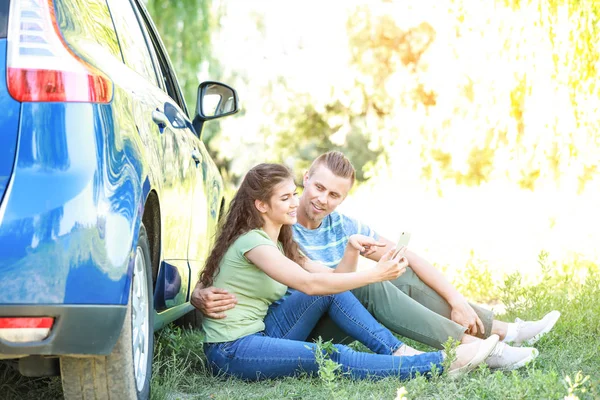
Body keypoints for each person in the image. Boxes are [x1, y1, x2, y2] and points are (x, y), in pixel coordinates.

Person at [195, 152, 560, 371]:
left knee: (393, 275)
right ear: (304, 181)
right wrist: (198, 294)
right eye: (313, 189)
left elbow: (331, 278)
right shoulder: (266, 229)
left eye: (334, 194)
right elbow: (300, 282)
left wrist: (456, 299)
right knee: (371, 288)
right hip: (264, 333)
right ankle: (458, 348)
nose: (318, 199)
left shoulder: (289, 236)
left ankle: (494, 331)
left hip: (299, 316)